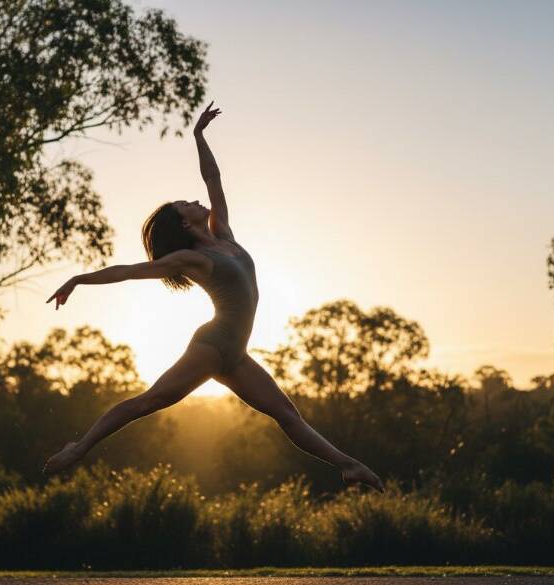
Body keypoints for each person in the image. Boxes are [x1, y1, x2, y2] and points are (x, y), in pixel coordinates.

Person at [42, 101, 384, 492]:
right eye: (184, 205)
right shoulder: (194, 259)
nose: (194, 200)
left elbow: (214, 179)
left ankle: (349, 466)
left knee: (288, 414)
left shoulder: (225, 237)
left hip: (234, 352)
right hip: (214, 344)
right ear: (185, 223)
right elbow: (132, 271)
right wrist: (78, 279)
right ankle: (79, 448)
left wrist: (199, 136)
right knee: (149, 402)